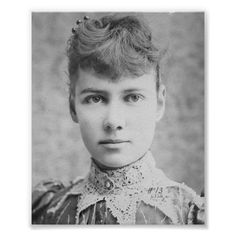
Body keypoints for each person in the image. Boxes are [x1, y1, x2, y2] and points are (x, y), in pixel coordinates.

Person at [32, 14, 204, 225]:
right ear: (72, 106)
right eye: (95, 98)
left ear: (159, 104)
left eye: (133, 97)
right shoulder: (47, 209)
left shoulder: (189, 215)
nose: (113, 121)